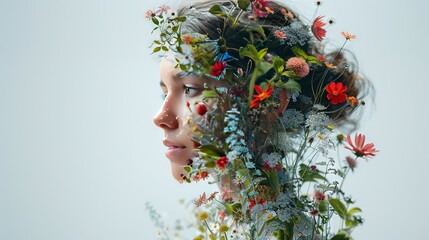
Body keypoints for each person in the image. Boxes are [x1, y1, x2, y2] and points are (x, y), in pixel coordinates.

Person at [149, 0, 377, 239]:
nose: (161, 118)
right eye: (165, 92)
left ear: (271, 101)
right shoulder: (227, 226)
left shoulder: (281, 233)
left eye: (189, 89)